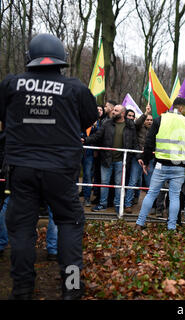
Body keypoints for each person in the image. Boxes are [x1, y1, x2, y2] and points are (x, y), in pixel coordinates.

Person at [0, 33, 98, 299]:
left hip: (21, 170)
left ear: (29, 58)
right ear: (61, 59)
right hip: (61, 170)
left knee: (21, 228)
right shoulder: (75, 88)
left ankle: (21, 289)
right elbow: (89, 119)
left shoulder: (10, 84)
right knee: (70, 223)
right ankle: (72, 287)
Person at [135, 98, 185, 231]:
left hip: (160, 164)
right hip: (178, 167)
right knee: (175, 196)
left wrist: (146, 160)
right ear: (181, 108)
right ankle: (171, 227)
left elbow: (149, 141)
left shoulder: (160, 119)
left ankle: (139, 223)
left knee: (151, 194)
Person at [84, 105, 137, 214]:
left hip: (121, 160)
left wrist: (139, 157)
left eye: (116, 110)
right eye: (113, 110)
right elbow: (97, 136)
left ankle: (118, 205)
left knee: (119, 184)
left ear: (122, 113)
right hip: (106, 159)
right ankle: (102, 204)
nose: (113, 112)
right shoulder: (107, 123)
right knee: (104, 183)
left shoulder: (130, 125)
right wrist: (85, 140)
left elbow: (134, 142)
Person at [125, 105, 154, 212]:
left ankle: (150, 206)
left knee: (150, 183)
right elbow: (136, 123)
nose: (149, 121)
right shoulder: (137, 127)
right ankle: (128, 204)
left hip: (150, 159)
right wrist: (146, 113)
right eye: (147, 119)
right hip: (137, 158)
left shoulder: (155, 130)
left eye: (151, 120)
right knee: (133, 181)